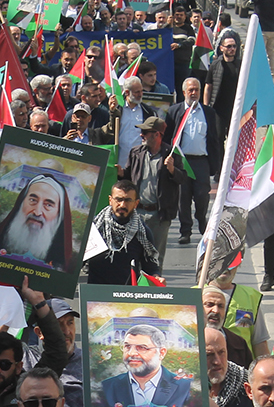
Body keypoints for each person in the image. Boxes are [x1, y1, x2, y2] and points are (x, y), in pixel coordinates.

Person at [164, 77, 221, 245]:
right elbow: (168, 138)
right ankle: (185, 231)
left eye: (197, 89)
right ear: (184, 93)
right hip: (182, 161)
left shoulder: (208, 113)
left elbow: (214, 139)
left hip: (201, 162)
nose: (194, 93)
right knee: (183, 197)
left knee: (202, 195)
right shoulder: (175, 111)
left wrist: (215, 165)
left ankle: (202, 219)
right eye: (191, 90)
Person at [0, 173, 74, 271]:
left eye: (48, 205)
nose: (37, 212)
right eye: (32, 200)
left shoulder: (65, 264)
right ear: (21, 203)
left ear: (59, 215)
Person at [120, 115, 177, 267]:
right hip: (137, 212)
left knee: (155, 256)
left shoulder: (170, 154)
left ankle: (153, 288)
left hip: (159, 214)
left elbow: (182, 179)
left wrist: (172, 169)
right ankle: (135, 288)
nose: (141, 135)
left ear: (157, 134)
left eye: (145, 132)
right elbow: (128, 176)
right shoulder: (136, 153)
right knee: (134, 253)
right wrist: (120, 173)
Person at [99, 324, 197, 407]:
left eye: (142, 348)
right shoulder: (107, 387)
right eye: (127, 347)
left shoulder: (186, 388)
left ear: (161, 353)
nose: (131, 353)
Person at [86, 178, 160, 285]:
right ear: (110, 200)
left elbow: (151, 268)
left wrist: (156, 277)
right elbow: (75, 264)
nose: (122, 205)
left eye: (128, 200)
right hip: (96, 294)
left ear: (136, 203)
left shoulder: (142, 233)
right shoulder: (94, 229)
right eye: (118, 199)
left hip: (127, 296)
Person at [238, 0, 274, 74]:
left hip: (262, 30)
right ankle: (272, 73)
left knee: (260, 53)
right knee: (271, 53)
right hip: (272, 30)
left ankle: (260, 74)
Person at [204, 35, 241, 138]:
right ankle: (220, 155)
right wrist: (206, 106)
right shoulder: (215, 65)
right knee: (218, 136)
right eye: (229, 46)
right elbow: (208, 86)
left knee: (233, 137)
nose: (232, 49)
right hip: (218, 108)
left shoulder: (241, 65)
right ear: (221, 48)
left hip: (235, 108)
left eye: (234, 46)